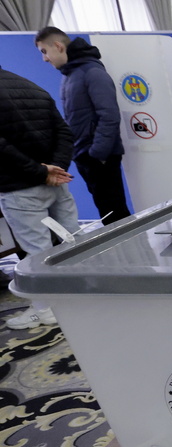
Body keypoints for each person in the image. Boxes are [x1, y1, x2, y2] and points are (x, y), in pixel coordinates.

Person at [0, 66, 80, 329]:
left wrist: (40, 172)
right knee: (75, 243)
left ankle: (44, 310)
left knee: (37, 254)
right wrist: (54, 169)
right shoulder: (31, 84)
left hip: (21, 188)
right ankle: (83, 295)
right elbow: (64, 132)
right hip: (55, 183)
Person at [35, 26, 131, 225]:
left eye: (45, 51)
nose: (44, 59)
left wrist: (98, 154)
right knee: (108, 212)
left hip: (99, 157)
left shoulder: (92, 72)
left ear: (58, 46)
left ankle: (136, 255)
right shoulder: (70, 76)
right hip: (85, 156)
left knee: (115, 213)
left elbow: (109, 116)